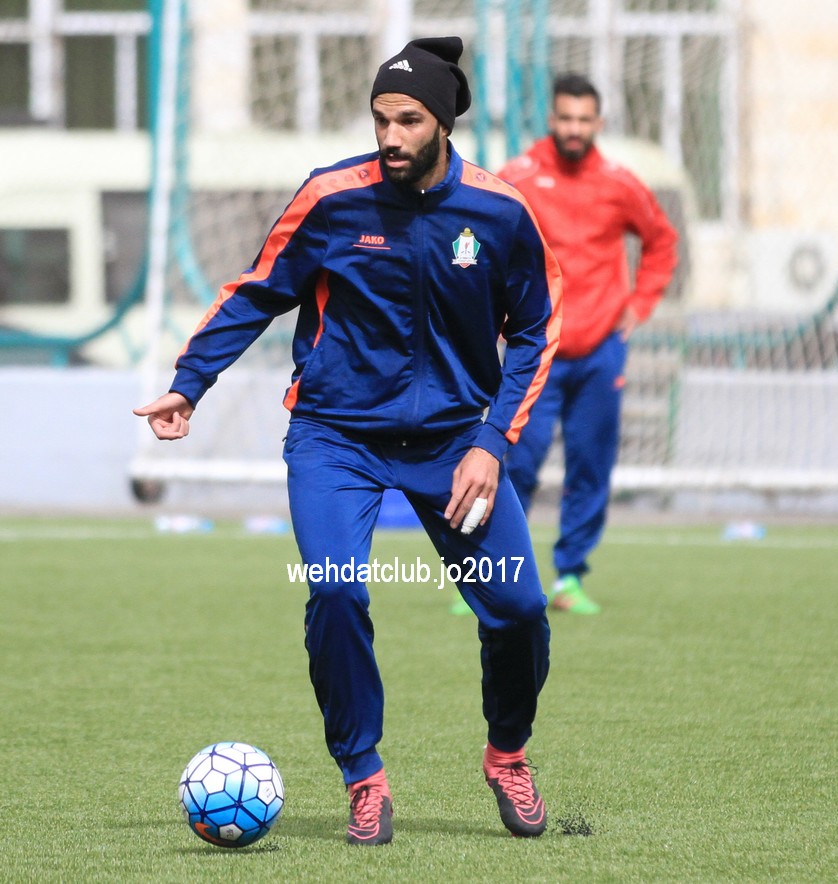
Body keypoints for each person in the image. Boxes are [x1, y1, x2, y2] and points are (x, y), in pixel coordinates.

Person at [135, 37, 562, 846]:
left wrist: (492, 441)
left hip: (454, 445)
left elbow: (538, 331)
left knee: (519, 610)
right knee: (335, 591)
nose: (391, 136)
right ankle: (363, 775)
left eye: (409, 121)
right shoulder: (331, 198)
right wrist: (190, 382)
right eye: (380, 119)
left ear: (444, 123)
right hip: (335, 437)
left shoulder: (501, 213)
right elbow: (256, 291)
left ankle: (507, 753)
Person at [453, 72, 677, 616]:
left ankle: (570, 577)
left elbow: (662, 241)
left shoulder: (620, 183)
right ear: (552, 120)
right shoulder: (520, 177)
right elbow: (473, 238)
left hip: (600, 351)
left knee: (590, 468)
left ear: (598, 123)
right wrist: (488, 312)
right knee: (514, 463)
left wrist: (640, 304)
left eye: (584, 120)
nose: (574, 128)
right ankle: (487, 574)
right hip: (537, 352)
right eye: (566, 118)